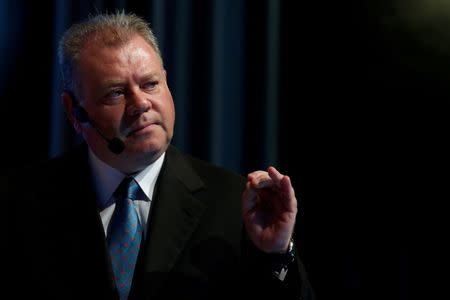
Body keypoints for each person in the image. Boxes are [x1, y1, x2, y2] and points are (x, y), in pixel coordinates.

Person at [2, 12, 313, 300]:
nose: (141, 104)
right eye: (116, 93)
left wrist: (276, 253)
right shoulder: (19, 203)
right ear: (75, 112)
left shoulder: (235, 204)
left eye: (150, 84)